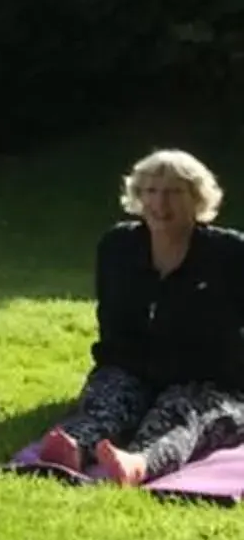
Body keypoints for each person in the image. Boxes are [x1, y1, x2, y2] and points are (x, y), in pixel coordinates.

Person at [34, 150, 244, 485]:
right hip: (133, 367)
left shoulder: (230, 252)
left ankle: (139, 463)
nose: (160, 202)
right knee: (107, 401)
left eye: (174, 192)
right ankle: (74, 447)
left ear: (197, 198)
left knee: (182, 415)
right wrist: (118, 372)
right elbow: (112, 322)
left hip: (211, 378)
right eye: (150, 191)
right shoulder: (118, 246)